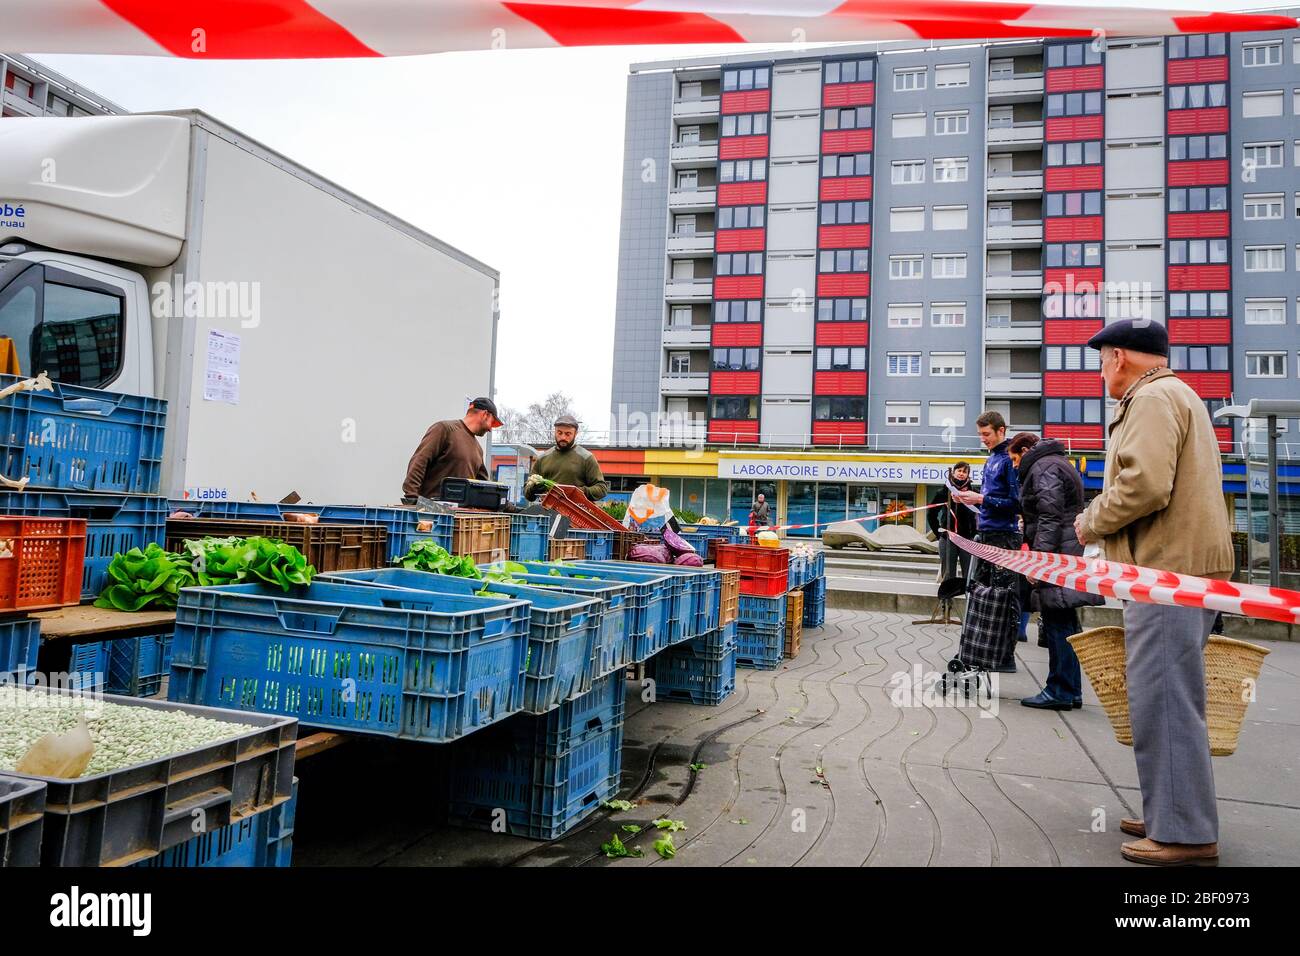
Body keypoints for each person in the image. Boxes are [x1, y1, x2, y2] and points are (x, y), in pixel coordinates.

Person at [1075, 319, 1233, 867]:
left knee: (1163, 700)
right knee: (1170, 698)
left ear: (1118, 357)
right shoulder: (1179, 393)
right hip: (1184, 570)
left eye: (1100, 361)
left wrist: (1089, 522)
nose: (1099, 373)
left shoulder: (1151, 399)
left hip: (1165, 574)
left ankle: (1184, 833)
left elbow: (1143, 485)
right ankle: (1171, 810)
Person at [1009, 431, 1104, 710]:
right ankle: (1071, 689)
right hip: (1067, 547)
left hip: (1058, 551)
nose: (1015, 466)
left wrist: (1039, 562)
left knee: (1056, 620)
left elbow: (1049, 516)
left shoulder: (1043, 467)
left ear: (1026, 450)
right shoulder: (1057, 462)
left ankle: (1059, 689)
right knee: (1066, 620)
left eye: (1015, 459)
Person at [953, 411, 1022, 674]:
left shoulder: (1007, 460)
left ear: (1001, 430)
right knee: (982, 593)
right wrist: (972, 498)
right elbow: (992, 496)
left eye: (987, 434)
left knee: (1003, 596)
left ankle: (1006, 655)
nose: (983, 439)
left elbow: (1016, 503)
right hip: (988, 531)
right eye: (980, 434)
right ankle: (982, 648)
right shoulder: (992, 457)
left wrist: (980, 500)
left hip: (1004, 535)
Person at [401, 397, 500, 503]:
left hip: (458, 515)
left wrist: (508, 507)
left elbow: (484, 486)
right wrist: (412, 497)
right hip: (432, 513)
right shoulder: (445, 429)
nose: (490, 429)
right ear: (485, 414)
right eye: (492, 422)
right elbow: (420, 460)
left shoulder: (478, 450)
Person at [523, 413, 609, 502]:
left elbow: (602, 489)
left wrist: (578, 492)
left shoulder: (586, 457)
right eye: (559, 433)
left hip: (576, 512)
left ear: (576, 434)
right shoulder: (543, 458)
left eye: (568, 434)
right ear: (554, 431)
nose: (563, 437)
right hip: (547, 512)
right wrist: (533, 489)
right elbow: (526, 492)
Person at [927, 461, 977, 583]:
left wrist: (975, 533)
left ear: (968, 475)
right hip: (948, 538)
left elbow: (981, 514)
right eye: (959, 471)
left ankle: (968, 600)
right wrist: (939, 534)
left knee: (969, 575)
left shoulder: (973, 493)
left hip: (967, 538)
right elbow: (931, 514)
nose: (961, 474)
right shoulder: (943, 492)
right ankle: (946, 601)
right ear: (953, 472)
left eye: (964, 472)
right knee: (948, 574)